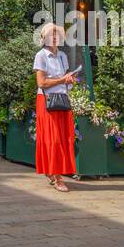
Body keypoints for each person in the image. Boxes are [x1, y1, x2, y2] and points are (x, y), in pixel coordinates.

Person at [34, 22, 80, 192]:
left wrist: (70, 81)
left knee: (63, 137)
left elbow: (64, 80)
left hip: (62, 99)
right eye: (51, 35)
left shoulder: (62, 56)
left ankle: (52, 171)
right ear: (44, 38)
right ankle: (57, 177)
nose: (55, 38)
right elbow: (41, 82)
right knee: (52, 139)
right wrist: (62, 80)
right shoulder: (41, 55)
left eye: (57, 35)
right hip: (47, 101)